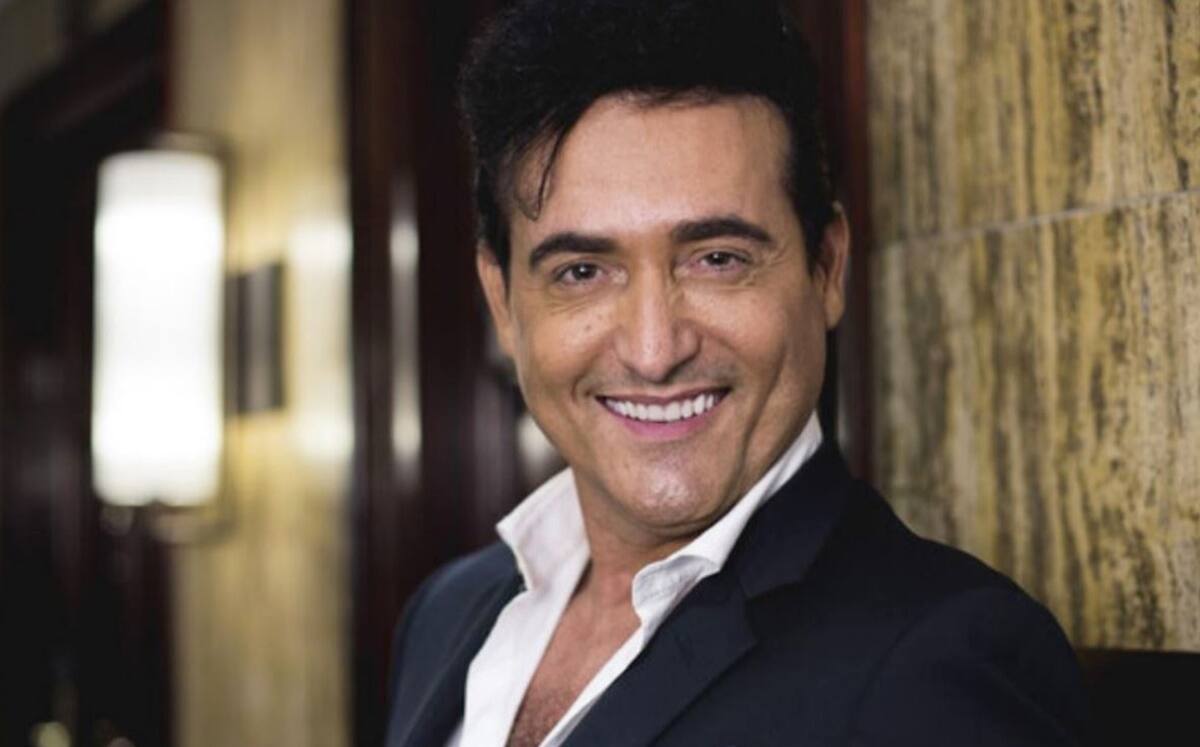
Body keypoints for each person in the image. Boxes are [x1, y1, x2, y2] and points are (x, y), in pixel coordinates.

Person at [386, 1, 1089, 745]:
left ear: (827, 267)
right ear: (502, 301)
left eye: (717, 259)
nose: (655, 350)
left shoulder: (940, 665)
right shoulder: (446, 614)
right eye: (583, 271)